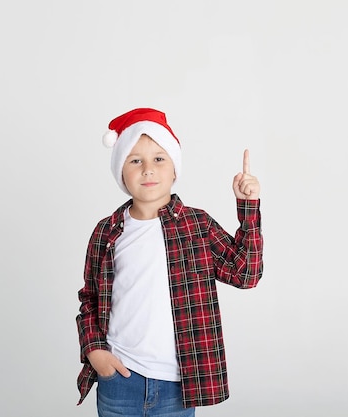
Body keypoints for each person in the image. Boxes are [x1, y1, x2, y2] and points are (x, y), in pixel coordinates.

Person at [75, 107, 264, 416]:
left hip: (178, 386)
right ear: (121, 172)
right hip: (119, 380)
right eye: (135, 160)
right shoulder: (107, 232)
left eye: (159, 159)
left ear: (174, 169)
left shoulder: (197, 226)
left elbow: (246, 274)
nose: (148, 169)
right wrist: (95, 350)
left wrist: (247, 207)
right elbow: (90, 299)